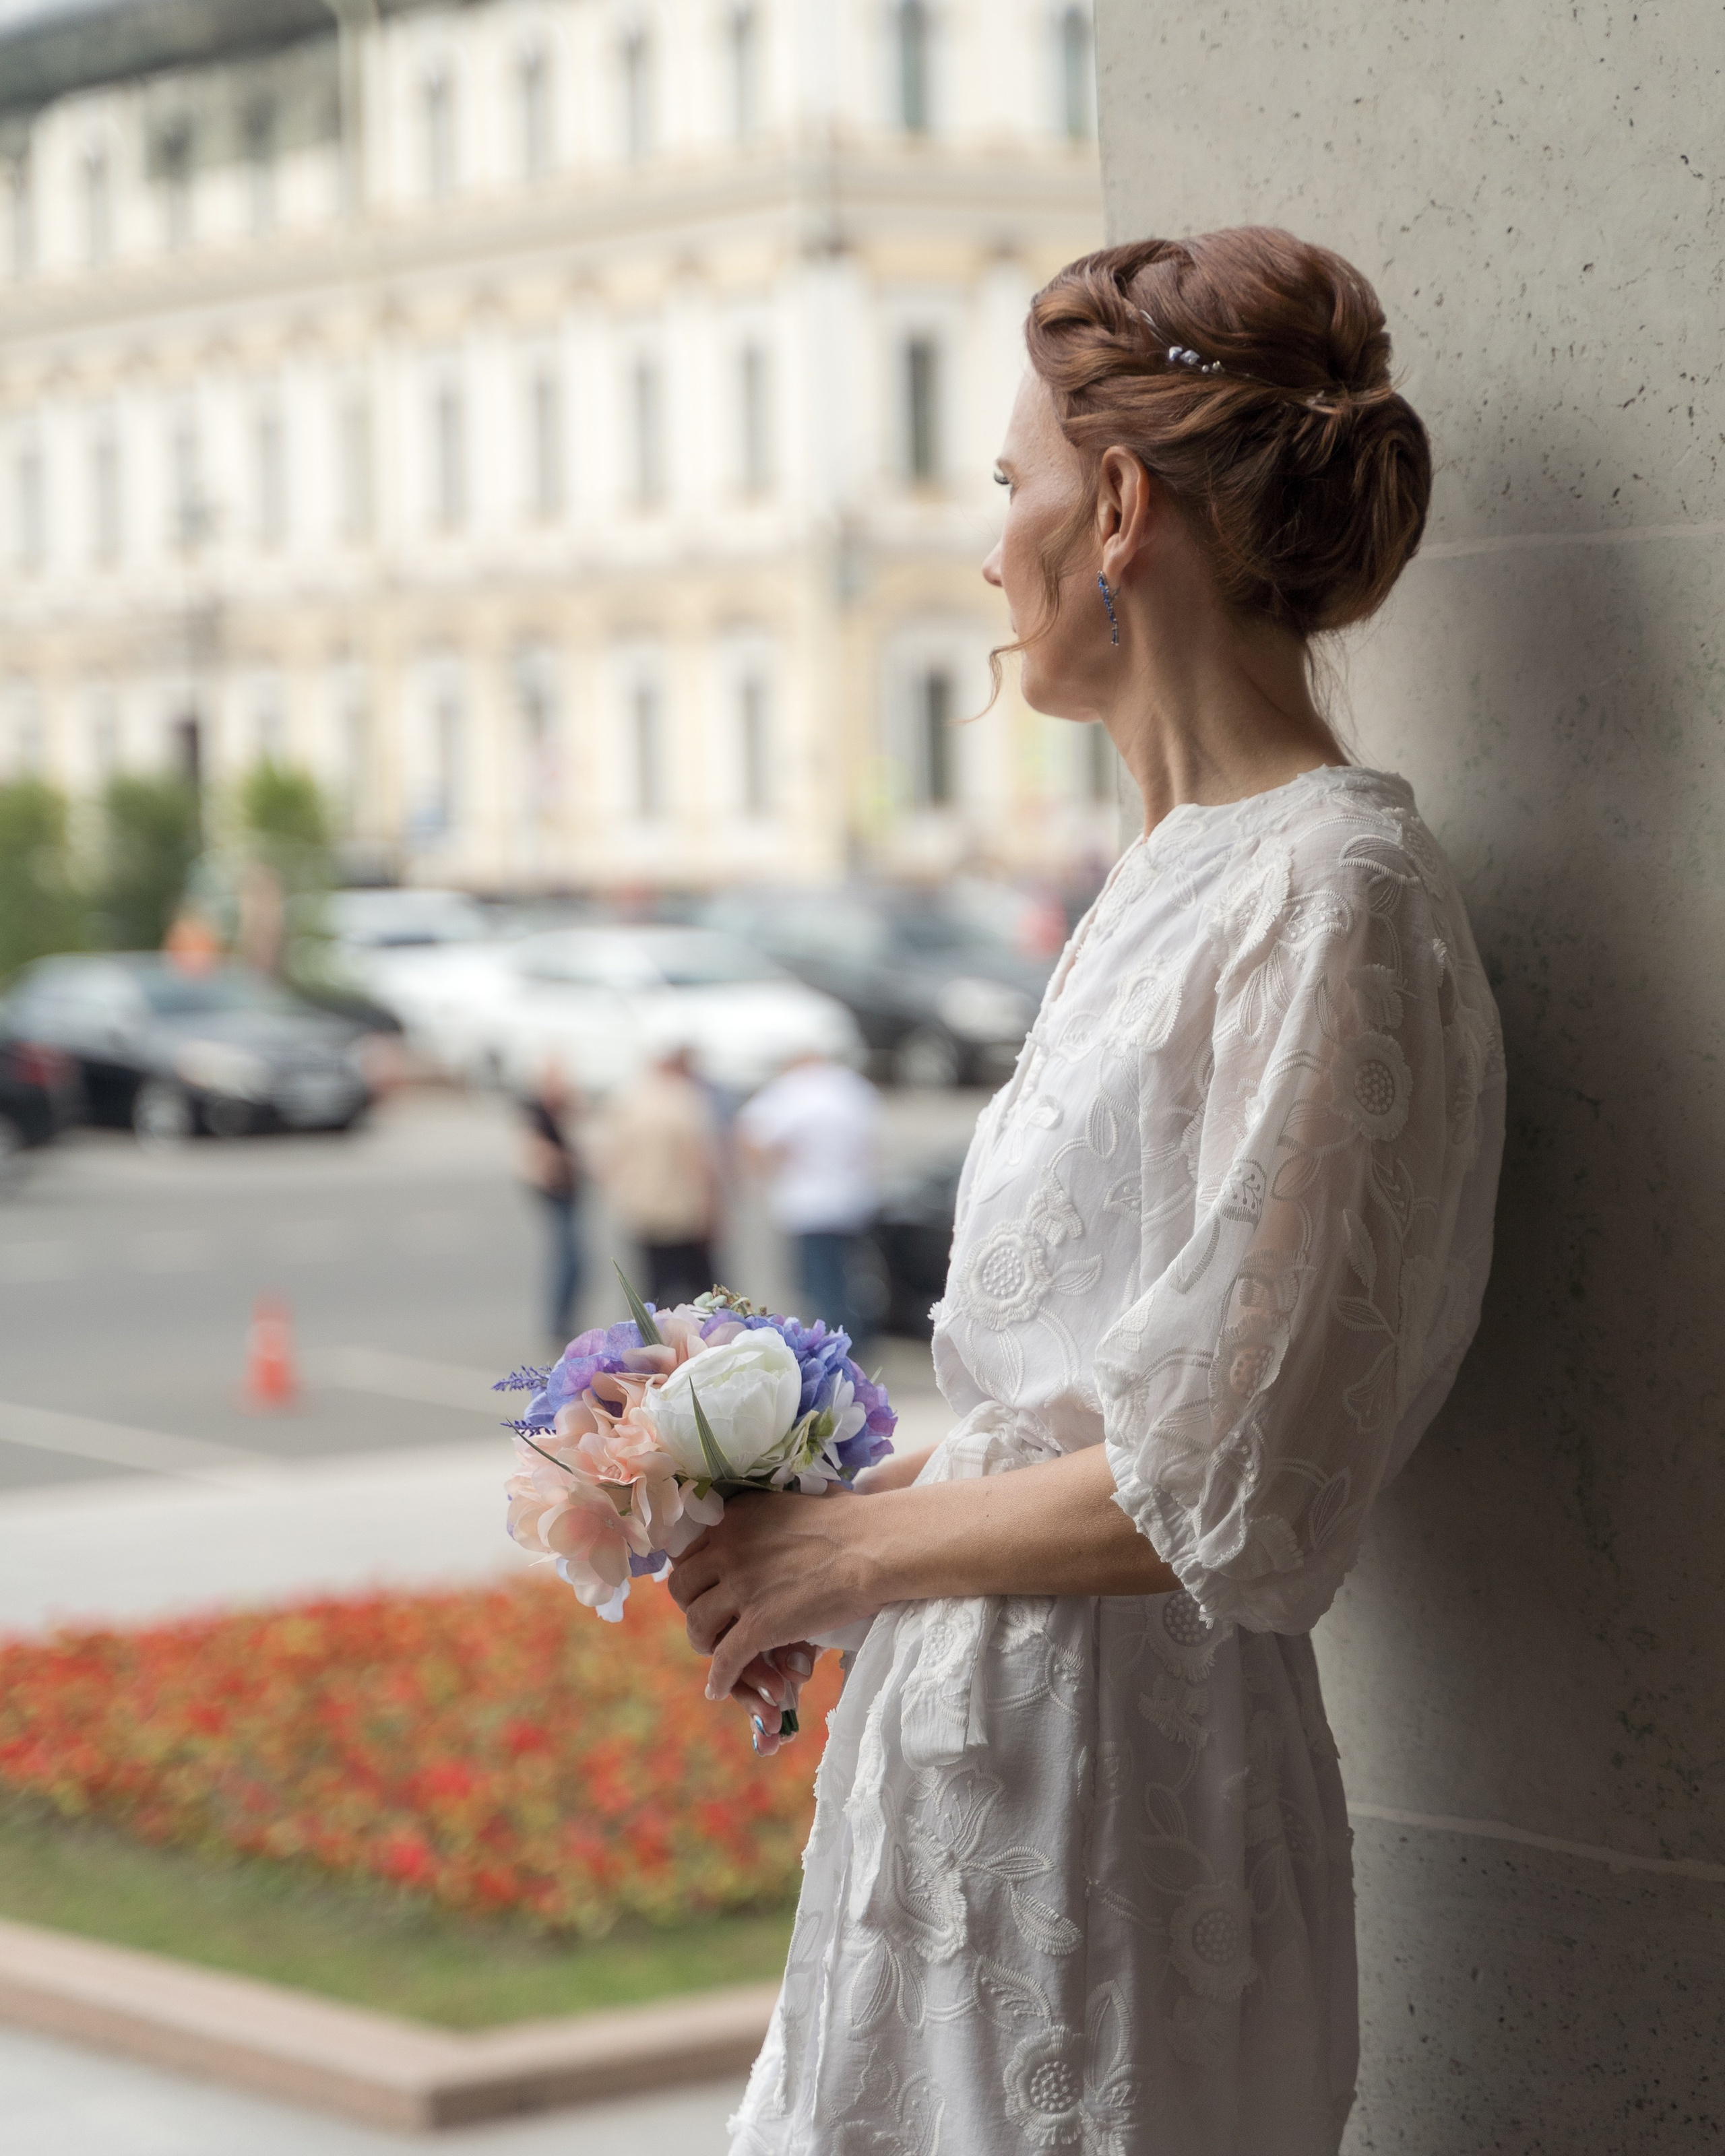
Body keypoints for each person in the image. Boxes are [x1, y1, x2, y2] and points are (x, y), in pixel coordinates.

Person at [670, 229, 1506, 2155]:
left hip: (1128, 1820)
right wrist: (846, 1528)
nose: (991, 550)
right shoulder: (1174, 873)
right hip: (980, 1772)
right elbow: (1117, 1395)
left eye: (1009, 487)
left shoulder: (1330, 894)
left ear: (1118, 505)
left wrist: (848, 1560)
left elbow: (1243, 1472)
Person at [736, 1051, 883, 1353]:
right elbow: (872, 1142)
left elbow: (751, 1135)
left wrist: (768, 1173)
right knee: (848, 1279)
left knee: (818, 1286)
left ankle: (832, 1348)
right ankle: (856, 1342)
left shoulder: (790, 1091)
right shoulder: (851, 1088)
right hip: (849, 1199)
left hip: (807, 1205)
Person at [594, 1044, 722, 1308]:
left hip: (643, 1208)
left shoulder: (628, 1099)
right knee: (703, 1291)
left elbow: (608, 1158)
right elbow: (701, 1159)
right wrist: (712, 1207)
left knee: (652, 1289)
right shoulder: (687, 1098)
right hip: (685, 1209)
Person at [518, 1058, 583, 1348]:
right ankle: (558, 1323)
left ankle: (563, 1320)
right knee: (568, 1259)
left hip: (565, 1192)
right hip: (556, 1193)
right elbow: (534, 1154)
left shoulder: (554, 1112)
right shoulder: (537, 1112)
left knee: (573, 1261)